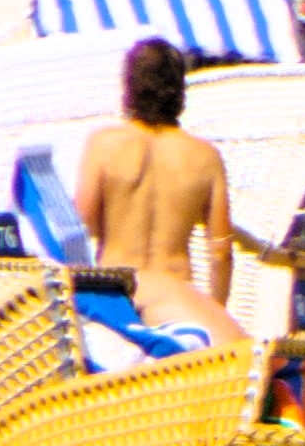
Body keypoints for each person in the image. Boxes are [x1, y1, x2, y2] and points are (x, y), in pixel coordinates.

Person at [71, 39, 236, 333]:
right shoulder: (205, 157)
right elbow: (220, 252)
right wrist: (213, 310)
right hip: (175, 298)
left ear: (129, 88)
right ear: (180, 90)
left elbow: (83, 227)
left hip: (118, 292)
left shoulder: (103, 145)